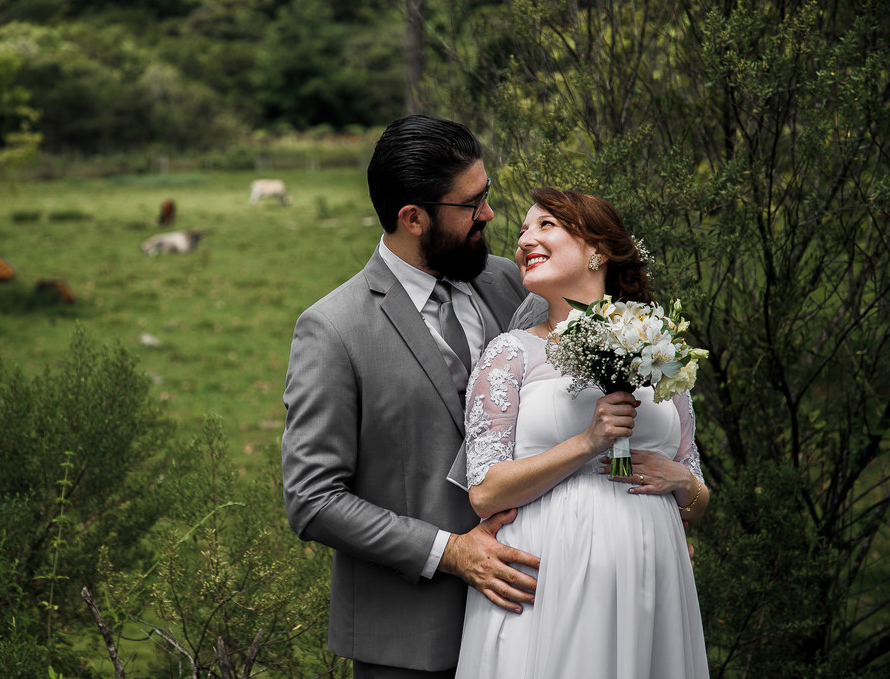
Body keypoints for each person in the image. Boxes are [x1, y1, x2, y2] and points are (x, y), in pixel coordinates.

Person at [282, 114, 545, 678]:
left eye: (487, 194)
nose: (489, 215)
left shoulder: (512, 283)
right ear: (413, 218)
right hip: (410, 643)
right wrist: (450, 552)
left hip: (532, 623)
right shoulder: (333, 330)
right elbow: (312, 499)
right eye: (471, 204)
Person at [452, 187, 710, 679]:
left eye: (545, 225)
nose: (525, 239)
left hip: (650, 579)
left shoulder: (661, 352)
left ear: (599, 250)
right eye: (523, 230)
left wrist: (682, 481)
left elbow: (696, 501)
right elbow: (484, 493)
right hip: (549, 577)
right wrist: (587, 443)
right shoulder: (510, 354)